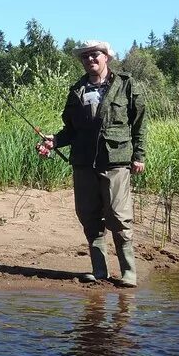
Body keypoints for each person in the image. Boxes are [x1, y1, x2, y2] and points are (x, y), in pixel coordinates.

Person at [37, 40, 146, 287]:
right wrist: (54, 141)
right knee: (89, 216)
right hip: (84, 163)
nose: (90, 60)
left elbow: (139, 124)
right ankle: (100, 271)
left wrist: (139, 156)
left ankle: (129, 272)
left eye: (94, 55)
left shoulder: (125, 85)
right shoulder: (76, 90)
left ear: (106, 57)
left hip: (116, 161)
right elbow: (71, 130)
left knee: (119, 216)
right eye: (85, 57)